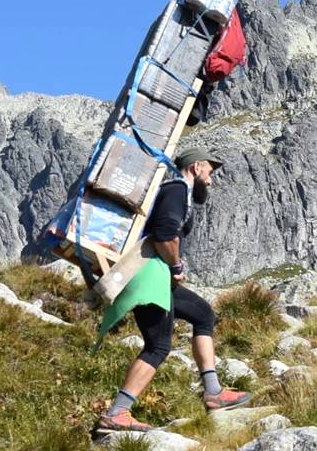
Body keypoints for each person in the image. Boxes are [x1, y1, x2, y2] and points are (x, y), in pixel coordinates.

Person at [96, 148, 252, 432]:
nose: (210, 180)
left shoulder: (180, 193)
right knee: (158, 345)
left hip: (156, 276)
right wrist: (177, 266)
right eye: (209, 173)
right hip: (147, 275)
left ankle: (213, 392)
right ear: (196, 167)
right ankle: (117, 413)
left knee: (203, 314)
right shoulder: (177, 190)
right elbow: (165, 234)